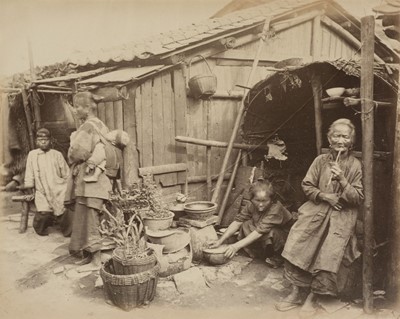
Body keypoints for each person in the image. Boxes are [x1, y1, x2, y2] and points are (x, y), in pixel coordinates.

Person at [275, 119, 364, 315]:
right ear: (329, 139)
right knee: (298, 241)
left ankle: (312, 298)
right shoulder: (320, 161)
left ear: (351, 141)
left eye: (345, 136)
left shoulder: (355, 165)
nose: (341, 140)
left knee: (328, 253)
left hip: (342, 214)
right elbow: (307, 185)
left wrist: (342, 179)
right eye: (337, 136)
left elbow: (357, 198)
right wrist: (325, 196)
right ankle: (296, 292)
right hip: (317, 209)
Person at [65, 92, 113, 272]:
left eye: (78, 106)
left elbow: (78, 152)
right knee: (85, 218)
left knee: (91, 219)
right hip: (93, 181)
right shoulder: (102, 125)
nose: (76, 110)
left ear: (87, 108)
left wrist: (71, 145)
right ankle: (88, 255)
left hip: (92, 182)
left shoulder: (87, 127)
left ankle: (96, 260)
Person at [208, 179, 294, 267]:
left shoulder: (276, 209)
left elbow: (259, 232)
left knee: (271, 232)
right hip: (263, 229)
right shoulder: (251, 205)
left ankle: (278, 256)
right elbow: (238, 221)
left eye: (264, 201)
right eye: (257, 200)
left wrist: (235, 246)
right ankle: (258, 251)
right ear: (252, 199)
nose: (260, 204)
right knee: (246, 224)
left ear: (271, 200)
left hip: (285, 237)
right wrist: (220, 241)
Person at [24, 128, 70, 236]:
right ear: (36, 141)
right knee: (43, 213)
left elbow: (66, 173)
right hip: (41, 190)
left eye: (46, 139)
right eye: (40, 139)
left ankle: (67, 231)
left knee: (63, 211)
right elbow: (29, 173)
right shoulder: (32, 155)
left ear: (50, 141)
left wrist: (66, 188)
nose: (43, 142)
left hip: (58, 188)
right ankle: (41, 229)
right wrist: (29, 190)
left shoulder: (56, 154)